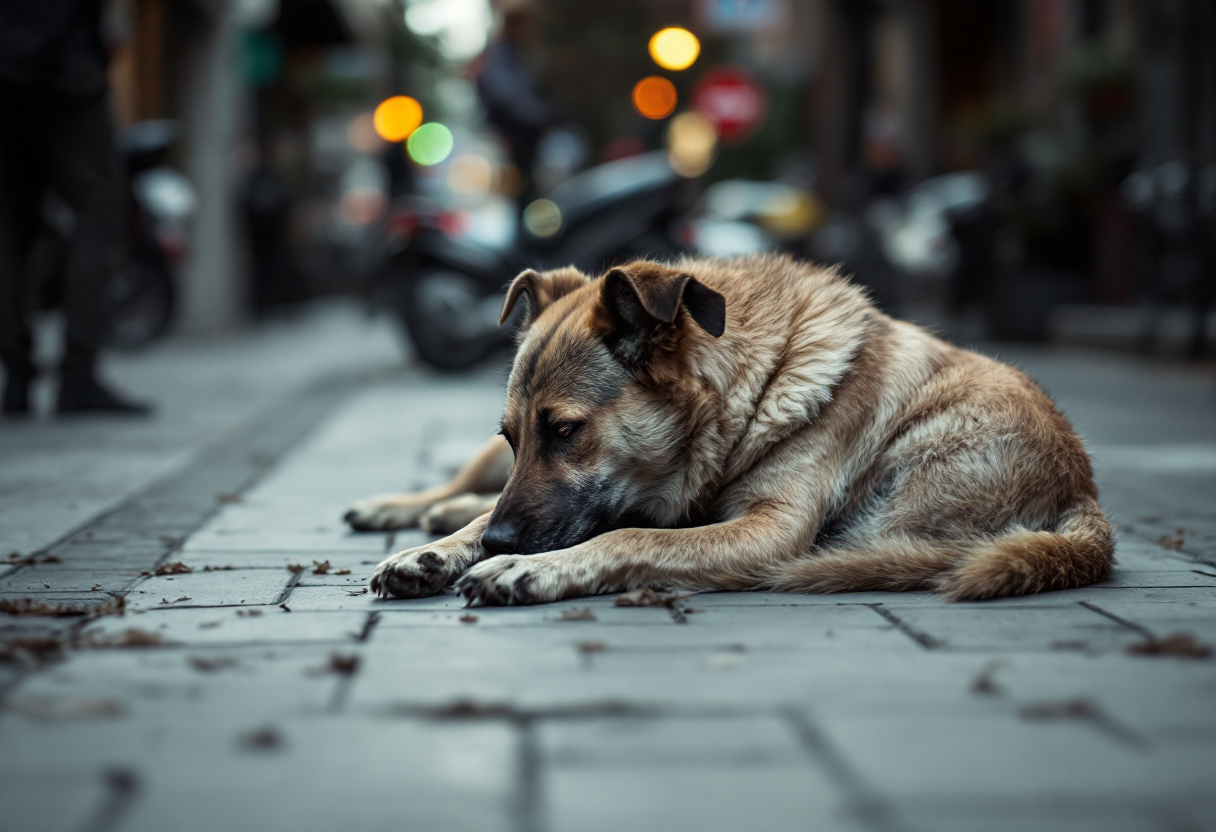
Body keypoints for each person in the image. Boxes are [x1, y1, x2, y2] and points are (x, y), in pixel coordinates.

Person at [0, 0, 152, 416]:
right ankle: (78, 373)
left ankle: (15, 376)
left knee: (10, 221)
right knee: (100, 208)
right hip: (65, 64)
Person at [474, 0, 557, 209]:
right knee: (519, 197)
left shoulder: (517, 53)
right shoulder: (500, 53)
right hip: (513, 137)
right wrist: (538, 114)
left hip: (523, 136)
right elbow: (506, 94)